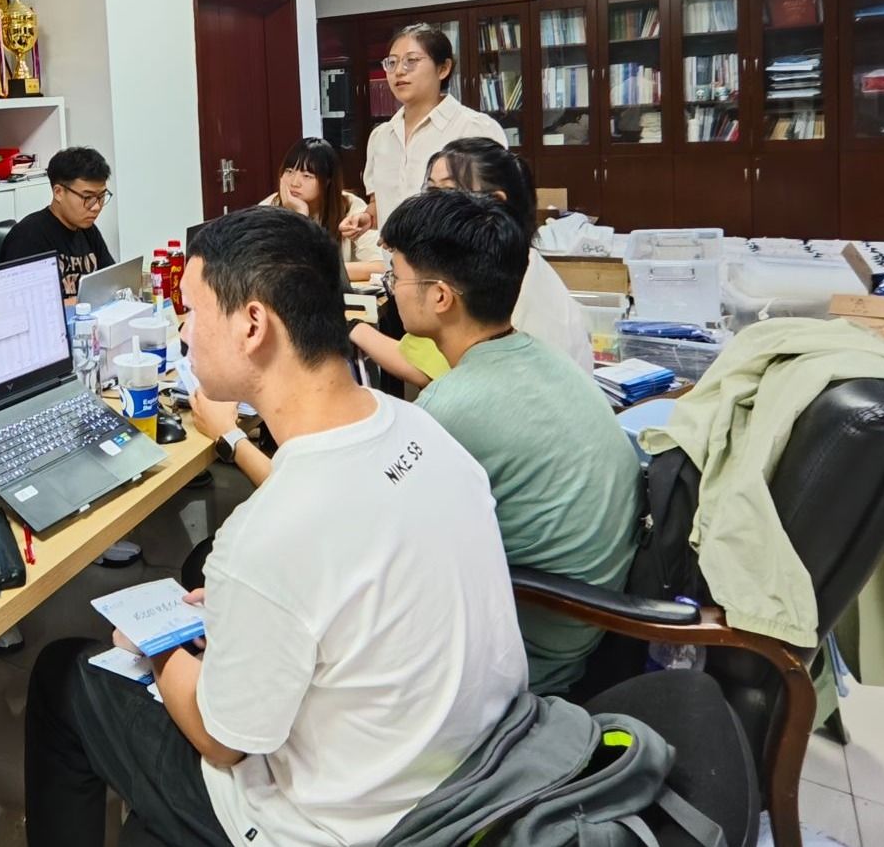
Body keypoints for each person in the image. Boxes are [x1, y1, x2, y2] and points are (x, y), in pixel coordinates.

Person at [26, 208, 527, 847]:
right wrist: (243, 615)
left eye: (193, 312)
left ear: (253, 325)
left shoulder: (267, 535)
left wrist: (160, 643)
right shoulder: (422, 429)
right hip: (475, 776)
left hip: (343, 827)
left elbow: (221, 739)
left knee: (64, 675)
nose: (184, 331)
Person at [379, 188, 641, 695]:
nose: (391, 290)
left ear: (440, 297)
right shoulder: (544, 359)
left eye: (396, 276)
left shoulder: (452, 405)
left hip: (530, 658)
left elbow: (371, 543)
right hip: (587, 624)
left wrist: (235, 438)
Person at [352, 138, 594, 389]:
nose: (431, 206)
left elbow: (428, 370)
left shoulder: (506, 282)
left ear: (495, 203)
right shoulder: (501, 264)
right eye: (431, 192)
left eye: (448, 193)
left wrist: (352, 327)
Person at [359, 24, 506, 233]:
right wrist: (368, 217)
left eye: (411, 61)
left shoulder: (475, 128)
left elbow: (494, 214)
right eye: (392, 62)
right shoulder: (380, 136)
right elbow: (379, 202)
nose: (399, 71)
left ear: (443, 68)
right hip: (392, 254)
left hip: (454, 253)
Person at [0, 145, 115, 300]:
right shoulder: (27, 237)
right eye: (88, 197)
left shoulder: (88, 229)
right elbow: (25, 303)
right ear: (59, 192)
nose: (96, 207)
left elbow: (111, 283)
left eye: (101, 197)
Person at [257, 136, 376, 283]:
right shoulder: (268, 209)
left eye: (307, 176)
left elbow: (378, 266)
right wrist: (299, 216)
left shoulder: (351, 206)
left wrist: (315, 271)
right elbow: (262, 268)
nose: (294, 183)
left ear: (327, 181)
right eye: (289, 171)